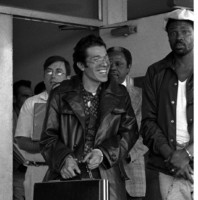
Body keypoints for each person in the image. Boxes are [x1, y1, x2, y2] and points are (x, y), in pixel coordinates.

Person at [40, 34, 139, 200]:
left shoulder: (119, 93)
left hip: (108, 178)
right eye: (96, 59)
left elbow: (130, 132)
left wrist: (103, 153)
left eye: (105, 57)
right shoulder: (61, 93)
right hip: (68, 178)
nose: (105, 64)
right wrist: (64, 159)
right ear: (81, 65)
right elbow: (48, 137)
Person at [140, 8, 193, 200]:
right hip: (168, 165)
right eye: (173, 33)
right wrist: (173, 157)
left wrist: (187, 153)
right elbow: (147, 123)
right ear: (168, 37)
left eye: (185, 31)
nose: (179, 37)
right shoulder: (155, 72)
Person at [15, 56, 71, 200]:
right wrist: (52, 144)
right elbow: (22, 142)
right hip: (38, 170)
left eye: (59, 72)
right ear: (44, 77)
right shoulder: (31, 103)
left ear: (68, 77)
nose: (53, 76)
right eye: (49, 72)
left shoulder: (76, 104)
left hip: (68, 170)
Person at [107, 47, 148, 200]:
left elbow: (146, 133)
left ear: (129, 67)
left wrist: (122, 154)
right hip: (101, 170)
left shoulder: (141, 96)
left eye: (119, 64)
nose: (113, 68)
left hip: (131, 168)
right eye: (109, 63)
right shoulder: (93, 95)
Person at [13, 80, 33, 200]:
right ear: (14, 99)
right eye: (25, 96)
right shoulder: (7, 117)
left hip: (30, 171)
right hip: (15, 172)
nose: (29, 100)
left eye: (31, 96)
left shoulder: (33, 115)